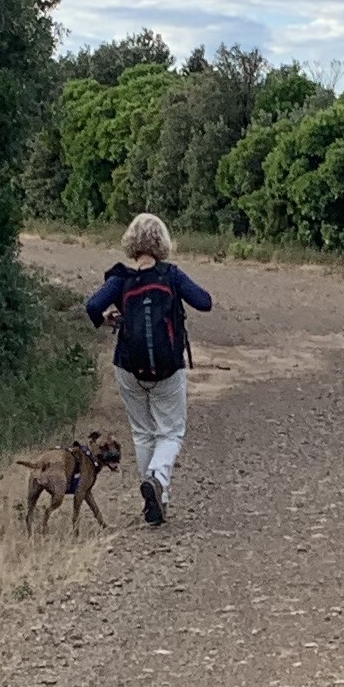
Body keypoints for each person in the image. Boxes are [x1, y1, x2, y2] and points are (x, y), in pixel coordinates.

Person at [82, 213, 214, 525]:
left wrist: (105, 320)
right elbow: (205, 302)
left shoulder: (120, 279)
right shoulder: (171, 276)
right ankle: (156, 482)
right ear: (162, 242)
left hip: (128, 367)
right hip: (168, 367)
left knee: (143, 433)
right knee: (170, 432)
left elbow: (91, 306)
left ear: (131, 242)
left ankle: (154, 503)